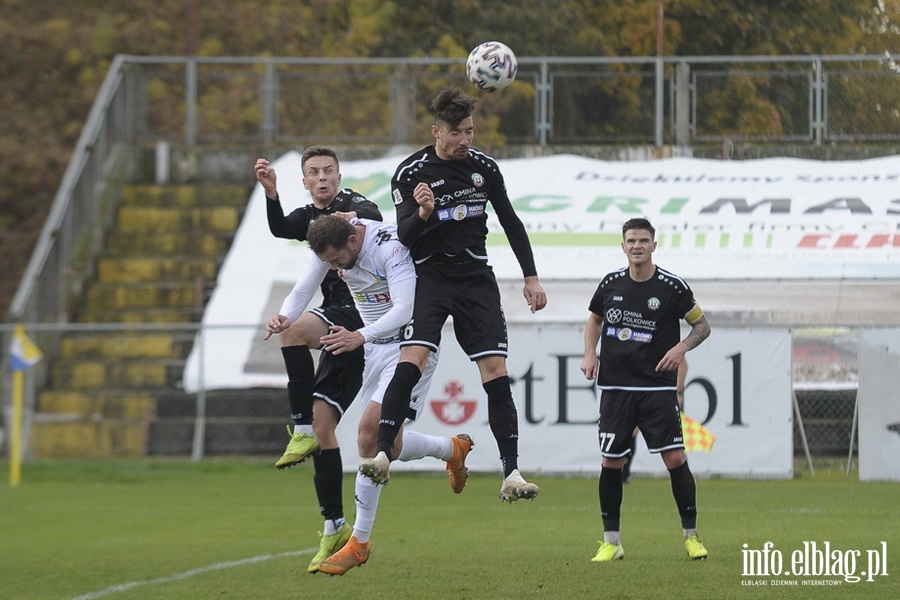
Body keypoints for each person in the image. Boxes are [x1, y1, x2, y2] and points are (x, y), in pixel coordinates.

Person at [358, 86, 547, 503]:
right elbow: (405, 238)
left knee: (495, 372)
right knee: (413, 358)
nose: (465, 140)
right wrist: (423, 212)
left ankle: (511, 473)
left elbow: (512, 222)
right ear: (436, 131)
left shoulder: (484, 168)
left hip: (475, 276)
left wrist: (531, 277)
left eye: (470, 131)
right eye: (457, 132)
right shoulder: (411, 174)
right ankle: (384, 457)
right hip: (430, 277)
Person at [265, 215, 473, 575]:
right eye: (326, 262)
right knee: (387, 445)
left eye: (336, 260)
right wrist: (285, 317)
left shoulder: (389, 248)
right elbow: (302, 289)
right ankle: (450, 448)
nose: (333, 268)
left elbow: (405, 307)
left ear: (352, 240)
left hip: (411, 345)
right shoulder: (330, 244)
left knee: (368, 435)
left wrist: (360, 335)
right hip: (376, 346)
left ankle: (358, 542)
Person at [254, 147, 381, 572]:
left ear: (339, 176)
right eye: (314, 173)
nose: (322, 177)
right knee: (329, 429)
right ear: (305, 182)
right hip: (336, 329)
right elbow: (280, 229)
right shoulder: (307, 217)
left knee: (292, 332)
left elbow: (374, 220)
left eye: (329, 171)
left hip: (360, 315)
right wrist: (271, 193)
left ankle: (301, 426)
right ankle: (334, 526)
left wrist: (353, 221)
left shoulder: (355, 205)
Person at [580, 217, 711, 562]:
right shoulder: (609, 284)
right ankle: (611, 541)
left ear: (654, 245)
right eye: (631, 240)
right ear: (622, 246)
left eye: (643, 240)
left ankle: (691, 536)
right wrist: (590, 352)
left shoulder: (672, 287)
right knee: (611, 461)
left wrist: (682, 347)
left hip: (656, 389)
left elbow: (702, 325)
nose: (637, 246)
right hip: (615, 388)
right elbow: (594, 319)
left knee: (675, 458)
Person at [621, 358, 688, 483]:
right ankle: (624, 473)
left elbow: (683, 364)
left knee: (673, 444)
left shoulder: (663, 342)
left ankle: (683, 476)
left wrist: (677, 391)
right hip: (638, 391)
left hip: (660, 395)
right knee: (631, 432)